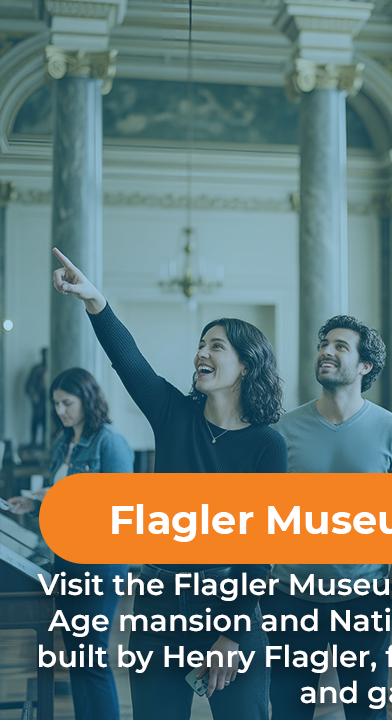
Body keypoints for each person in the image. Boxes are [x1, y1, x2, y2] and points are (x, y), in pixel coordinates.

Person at [51, 247, 286, 720]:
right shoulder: (174, 415)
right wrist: (95, 300)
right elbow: (129, 361)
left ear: (246, 365)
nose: (202, 352)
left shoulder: (268, 445)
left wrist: (234, 633)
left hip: (233, 608)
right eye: (202, 343)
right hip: (161, 606)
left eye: (217, 345)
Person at [269, 314, 392, 720]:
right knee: (287, 712)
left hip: (366, 600)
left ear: (365, 366)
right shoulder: (284, 429)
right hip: (289, 599)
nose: (326, 352)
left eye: (339, 346)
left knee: (367, 716)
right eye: (323, 344)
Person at [9, 367, 133, 720]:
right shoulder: (63, 443)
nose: (61, 411)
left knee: (93, 658)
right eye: (56, 404)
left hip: (100, 564)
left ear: (87, 400)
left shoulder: (110, 442)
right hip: (65, 561)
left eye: (67, 403)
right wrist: (34, 504)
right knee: (77, 658)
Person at [24, 347, 47, 446]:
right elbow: (29, 385)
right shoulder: (37, 369)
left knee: (47, 421)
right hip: (39, 399)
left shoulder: (51, 368)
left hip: (49, 399)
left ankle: (45, 442)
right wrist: (34, 395)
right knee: (36, 420)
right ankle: (33, 442)